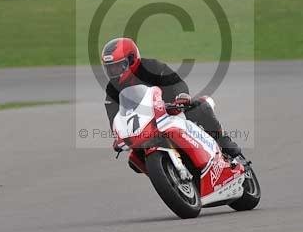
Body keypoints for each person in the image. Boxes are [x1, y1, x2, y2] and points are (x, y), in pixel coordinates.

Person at [101, 37, 243, 160]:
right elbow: (113, 115)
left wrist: (181, 96)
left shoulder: (151, 67)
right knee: (134, 159)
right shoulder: (112, 88)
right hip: (144, 125)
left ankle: (224, 141)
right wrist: (118, 136)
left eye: (118, 66)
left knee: (201, 107)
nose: (114, 71)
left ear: (132, 60)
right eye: (110, 68)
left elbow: (175, 82)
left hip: (170, 109)